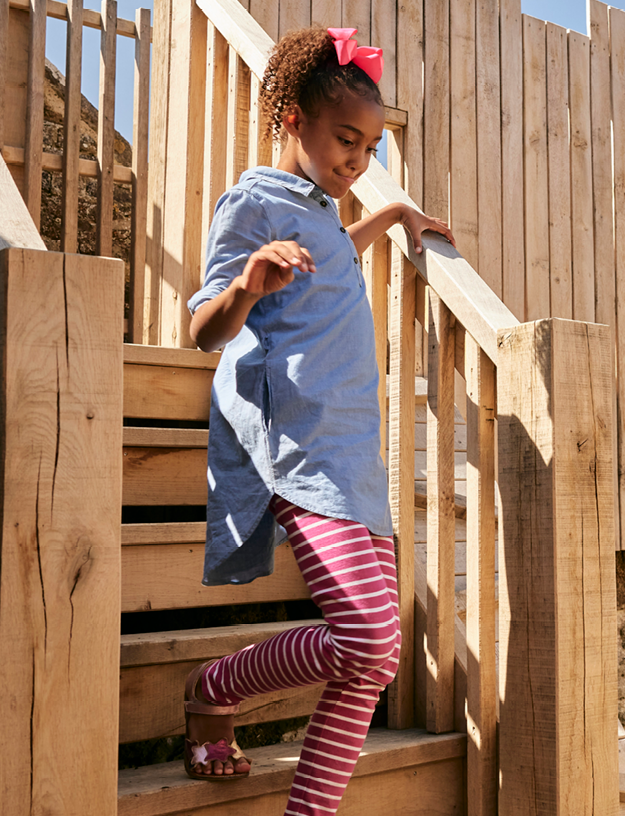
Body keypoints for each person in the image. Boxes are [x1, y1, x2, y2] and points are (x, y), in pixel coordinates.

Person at [178, 25, 453, 816]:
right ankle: (213, 685)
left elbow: (331, 261)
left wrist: (394, 211)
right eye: (344, 140)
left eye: (368, 148)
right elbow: (202, 328)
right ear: (292, 117)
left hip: (352, 448)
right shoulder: (254, 201)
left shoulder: (325, 216)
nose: (356, 161)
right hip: (297, 443)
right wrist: (250, 285)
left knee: (373, 660)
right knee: (369, 640)